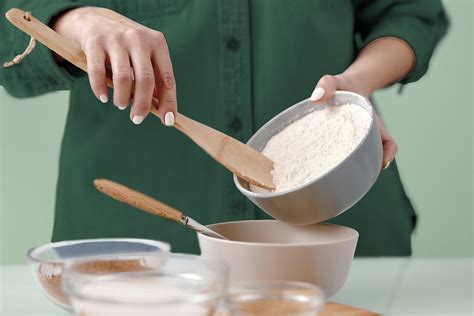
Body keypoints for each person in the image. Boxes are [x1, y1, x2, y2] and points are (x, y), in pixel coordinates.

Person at [0, 0, 448, 256]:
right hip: (133, 249)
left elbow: (409, 13)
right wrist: (73, 19)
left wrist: (356, 85)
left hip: (341, 241)